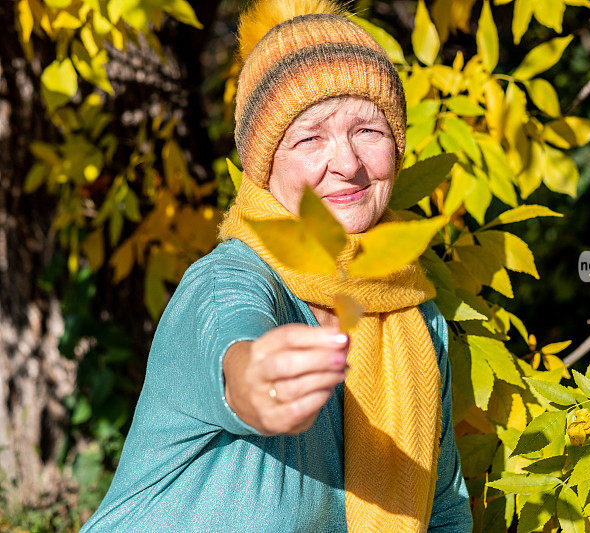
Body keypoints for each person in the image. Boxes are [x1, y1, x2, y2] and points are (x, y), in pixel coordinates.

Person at [80, 0, 472, 531]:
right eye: (310, 137)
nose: (349, 164)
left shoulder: (419, 320)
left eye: (369, 131)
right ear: (265, 164)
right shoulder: (228, 282)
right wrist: (261, 385)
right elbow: (237, 355)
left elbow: (443, 509)